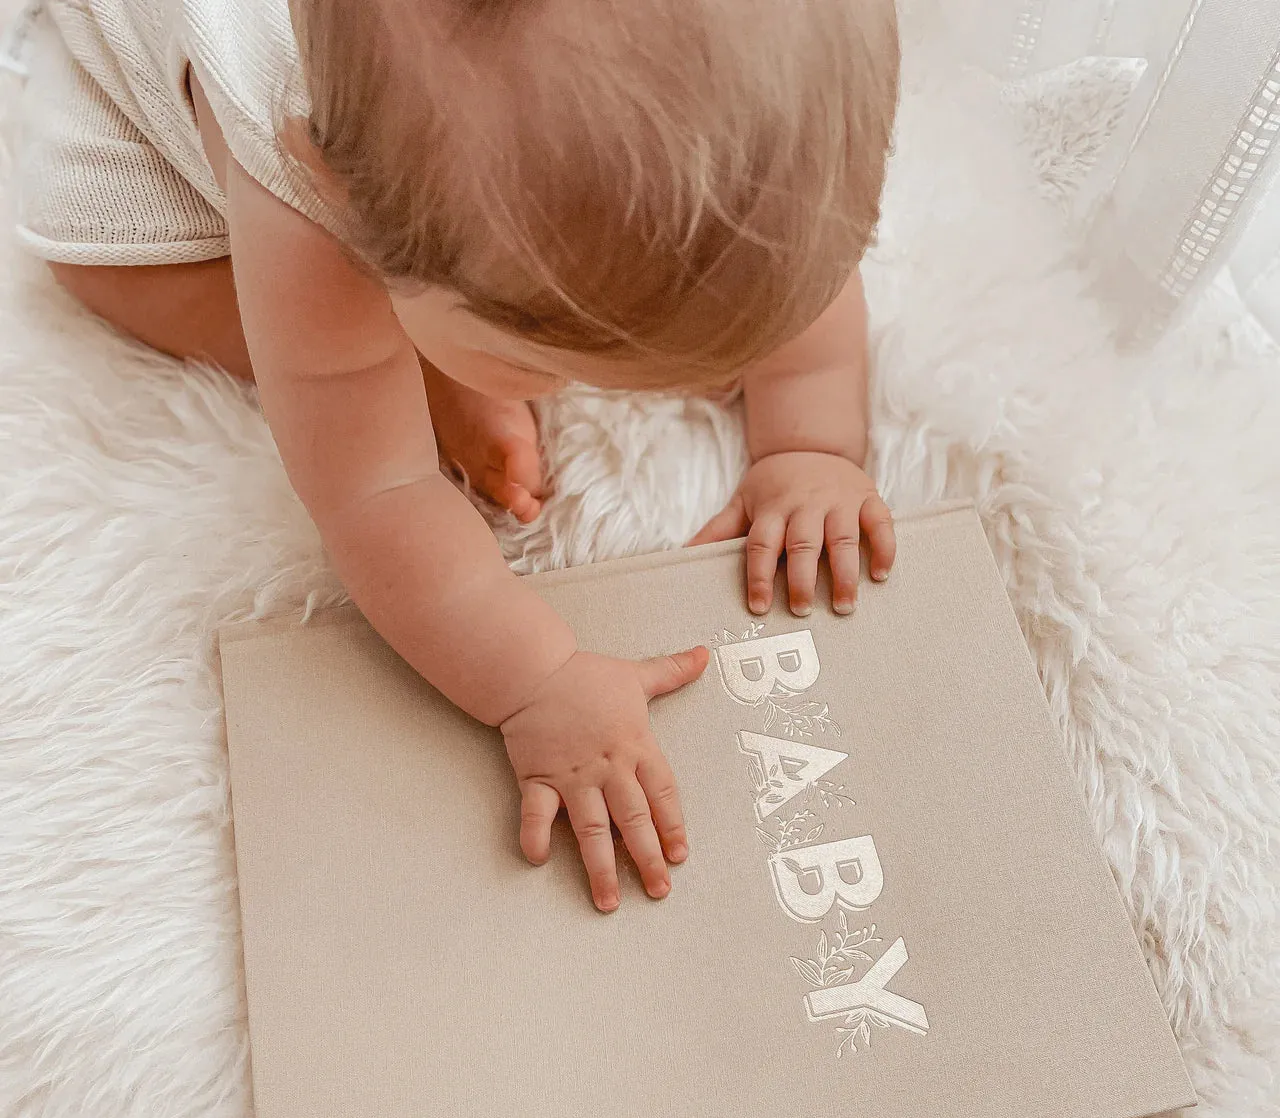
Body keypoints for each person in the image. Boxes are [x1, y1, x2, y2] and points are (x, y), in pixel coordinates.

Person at [12, 0, 900, 911]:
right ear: (360, 222)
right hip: (144, 73)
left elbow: (798, 269)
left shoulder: (761, 137)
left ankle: (444, 341)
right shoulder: (307, 197)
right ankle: (411, 363)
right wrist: (536, 680)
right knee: (115, 267)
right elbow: (376, 494)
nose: (576, 397)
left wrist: (810, 446)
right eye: (536, 365)